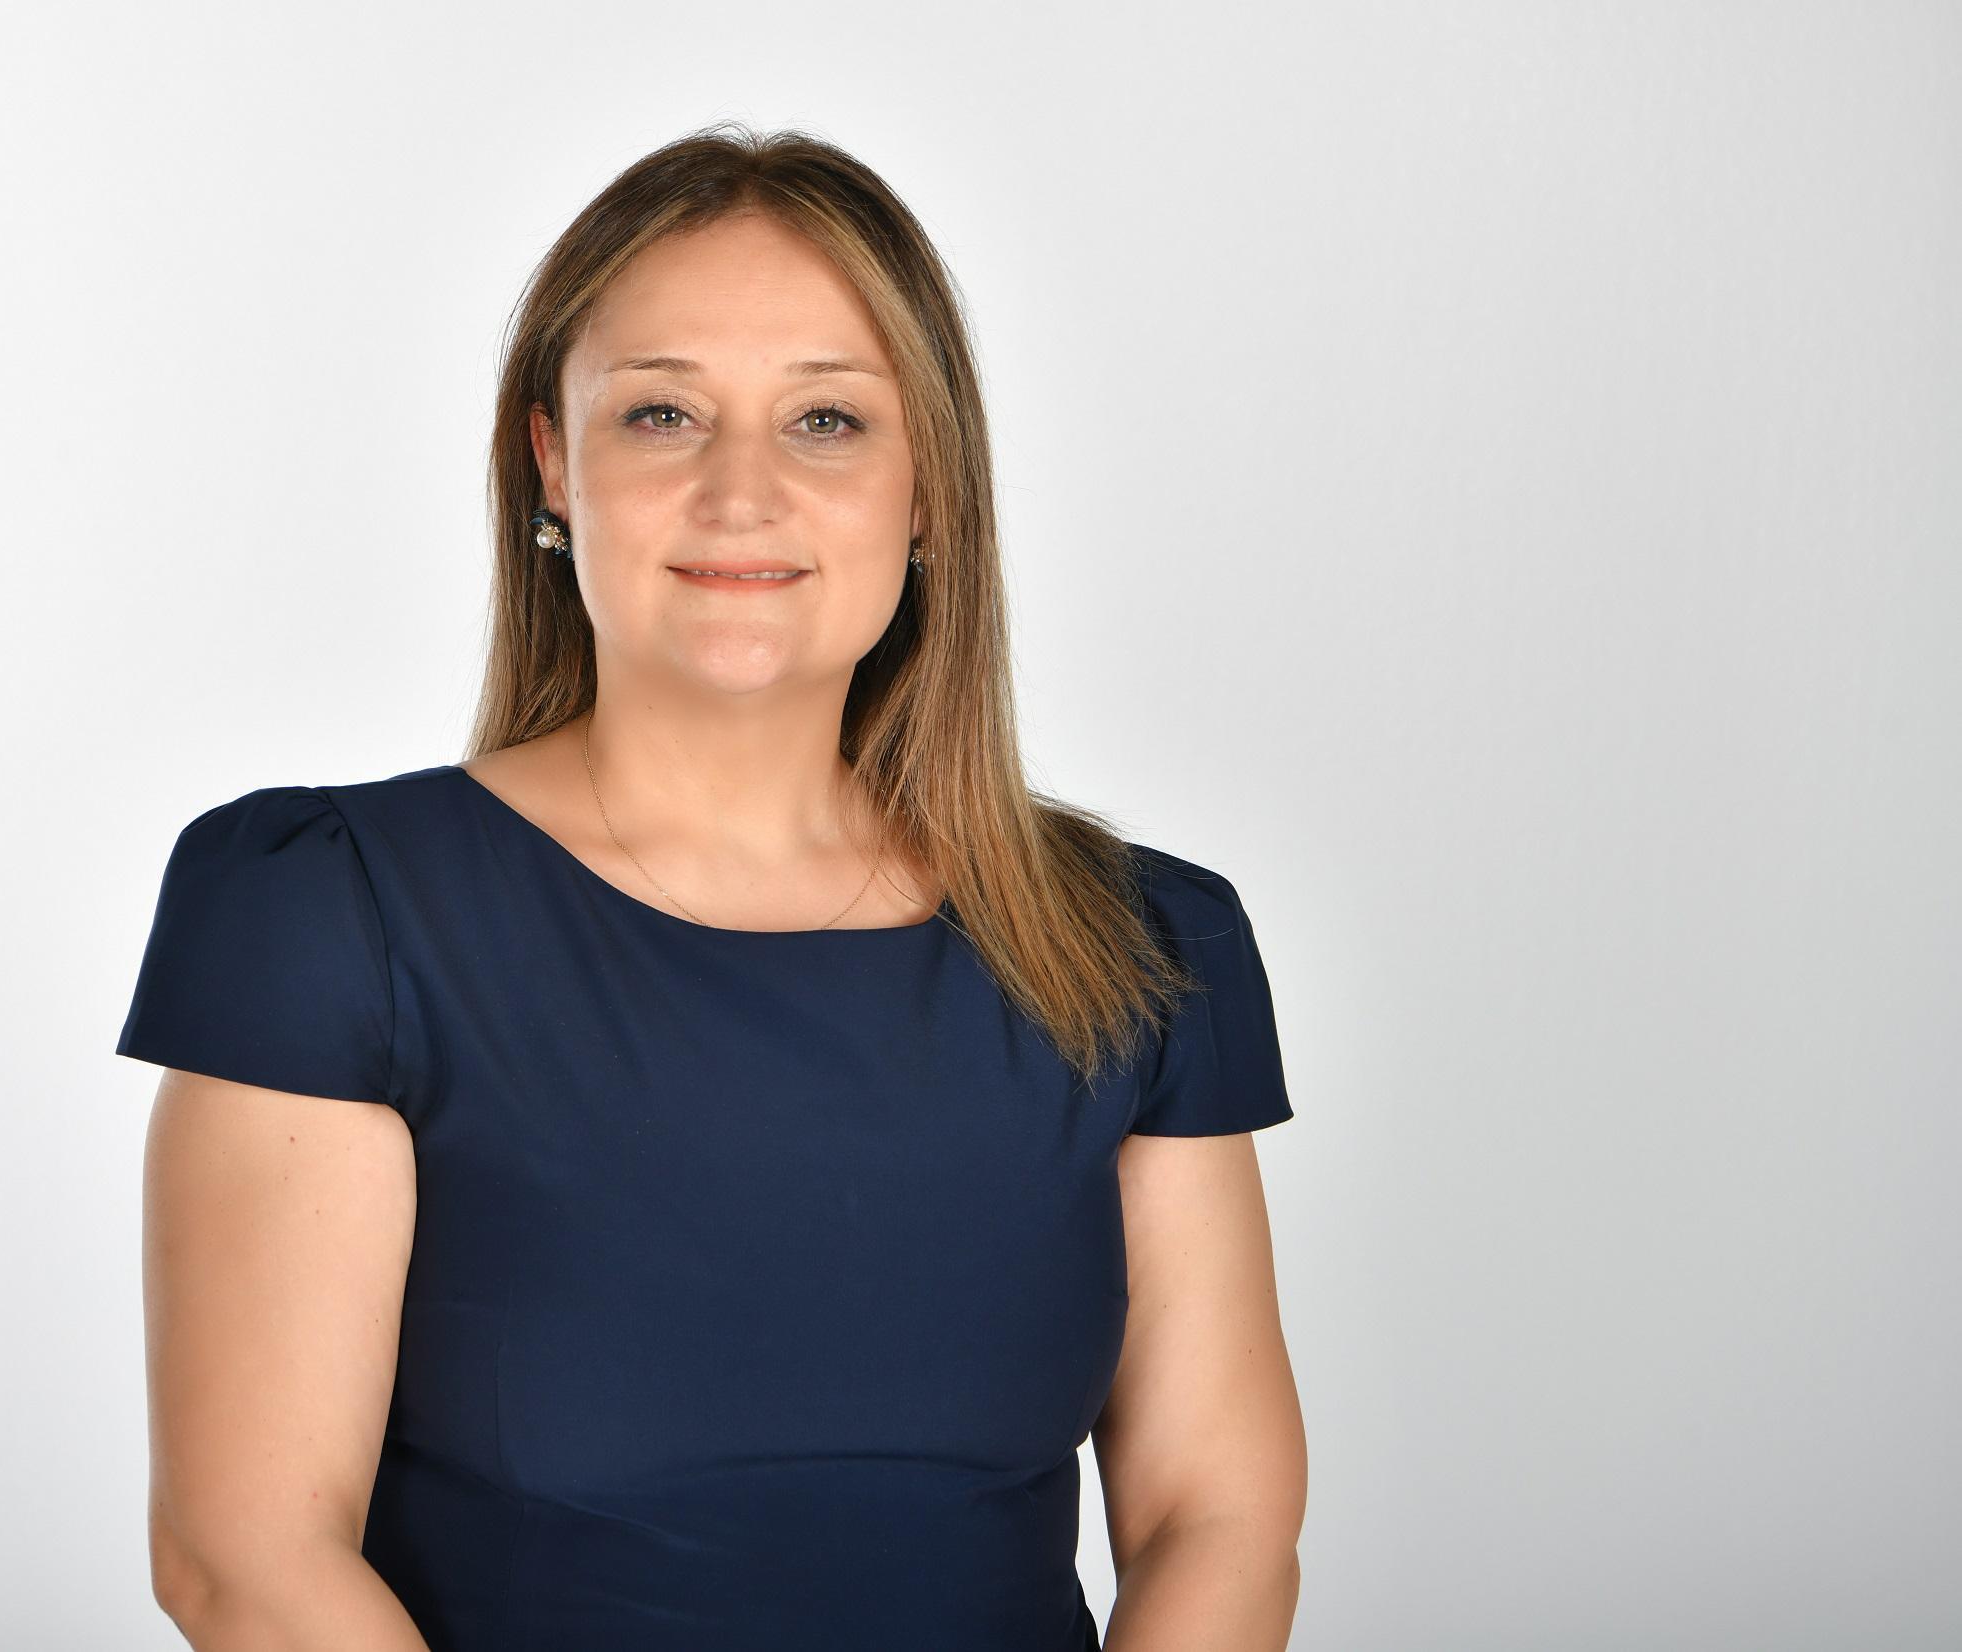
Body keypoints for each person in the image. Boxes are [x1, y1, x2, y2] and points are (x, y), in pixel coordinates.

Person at [116, 121, 1304, 1652]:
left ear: (928, 488)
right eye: (662, 413)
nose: (742, 493)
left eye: (827, 420)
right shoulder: (327, 914)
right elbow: (246, 1558)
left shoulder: (1138, 944)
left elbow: (1215, 1519)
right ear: (554, 463)